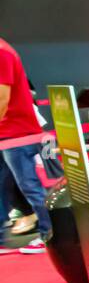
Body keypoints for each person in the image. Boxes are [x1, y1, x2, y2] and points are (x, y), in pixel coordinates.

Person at [0, 35, 49, 254]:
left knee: (31, 186)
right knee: (6, 186)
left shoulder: (2, 53)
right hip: (8, 134)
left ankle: (50, 236)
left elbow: (2, 99)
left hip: (17, 134)